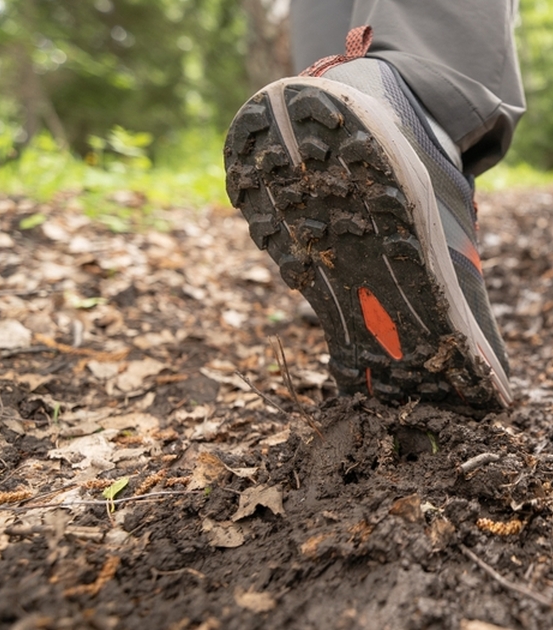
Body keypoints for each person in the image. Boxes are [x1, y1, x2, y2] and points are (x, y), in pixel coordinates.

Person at [223, 1, 525, 409]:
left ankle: (358, 100)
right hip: (391, 109)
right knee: (391, 74)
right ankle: (416, 111)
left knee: (330, 62)